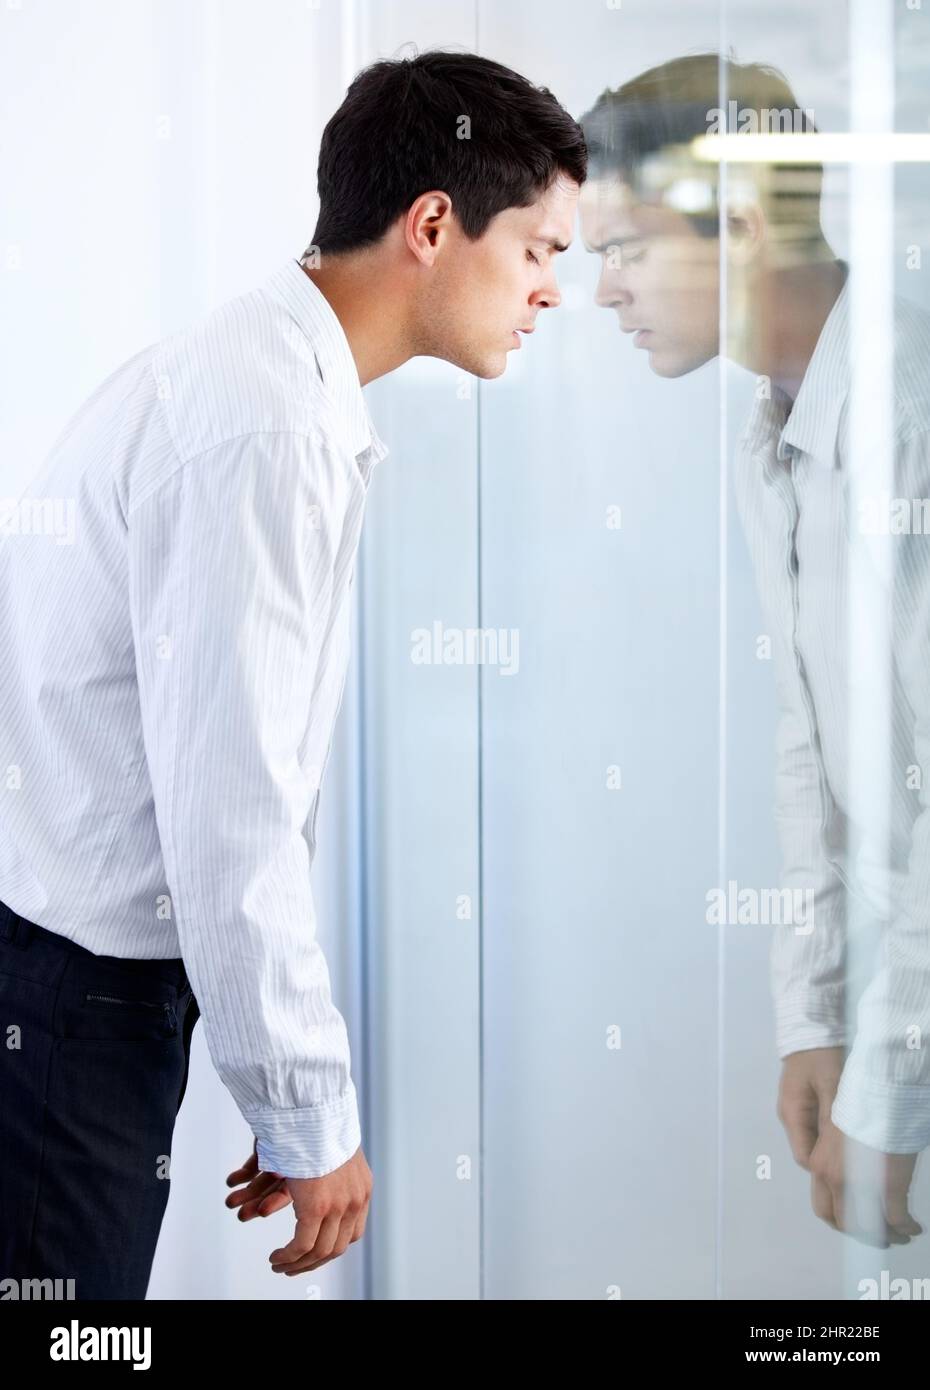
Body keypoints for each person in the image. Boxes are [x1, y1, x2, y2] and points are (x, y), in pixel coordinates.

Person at [0, 47, 585, 1299]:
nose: (552, 293)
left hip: (68, 981)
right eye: (540, 250)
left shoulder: (270, 382)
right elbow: (234, 820)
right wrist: (312, 1118)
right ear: (433, 225)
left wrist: (277, 1075)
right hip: (67, 1000)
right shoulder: (266, 427)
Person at [579, 53, 930, 1247]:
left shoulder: (911, 422)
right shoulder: (767, 430)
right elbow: (810, 738)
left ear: (736, 218)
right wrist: (814, 1016)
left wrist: (888, 1085)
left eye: (622, 249)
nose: (602, 292)